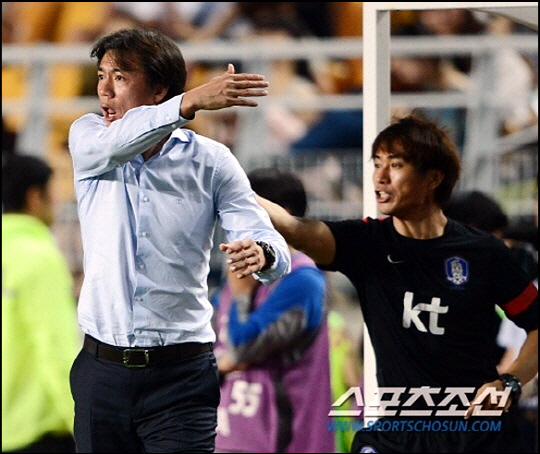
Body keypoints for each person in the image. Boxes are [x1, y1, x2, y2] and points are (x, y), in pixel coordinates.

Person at [67, 27, 291, 453]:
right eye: (101, 76)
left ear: (159, 90)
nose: (105, 91)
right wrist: (189, 103)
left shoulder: (212, 161)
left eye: (120, 77)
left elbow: (262, 234)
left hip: (182, 378)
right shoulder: (89, 137)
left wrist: (262, 254)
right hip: (102, 373)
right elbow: (118, 143)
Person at [256, 115, 538, 453]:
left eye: (396, 164)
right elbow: (296, 228)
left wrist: (509, 382)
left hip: (474, 434)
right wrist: (229, 180)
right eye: (377, 164)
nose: (380, 176)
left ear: (433, 177)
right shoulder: (367, 243)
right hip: (398, 434)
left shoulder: (483, 252)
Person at [211, 168, 334, 453]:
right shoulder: (241, 270)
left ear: (281, 215)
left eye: (246, 209)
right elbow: (212, 347)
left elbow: (242, 348)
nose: (236, 220)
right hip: (229, 433)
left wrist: (241, 296)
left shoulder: (303, 280)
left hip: (285, 438)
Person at [2, 154, 81, 453]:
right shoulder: (39, 258)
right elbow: (56, 346)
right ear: (35, 196)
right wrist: (80, 425)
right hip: (36, 431)